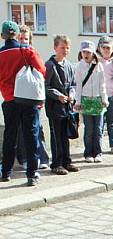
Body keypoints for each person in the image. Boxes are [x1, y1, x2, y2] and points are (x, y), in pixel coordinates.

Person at [0, 20, 45, 186]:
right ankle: (32, 174)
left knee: (10, 136)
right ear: (18, 35)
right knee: (30, 135)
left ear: (2, 36)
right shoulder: (27, 50)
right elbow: (41, 70)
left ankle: (6, 172)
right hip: (28, 98)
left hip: (9, 99)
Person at [14, 24, 48, 171]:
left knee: (37, 129)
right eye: (20, 38)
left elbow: (42, 71)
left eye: (26, 38)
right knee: (21, 130)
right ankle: (24, 159)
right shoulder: (13, 53)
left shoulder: (33, 52)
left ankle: (43, 157)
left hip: (33, 97)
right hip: (18, 96)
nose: (23, 41)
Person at [44, 35, 79, 176]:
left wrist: (71, 93)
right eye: (62, 48)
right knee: (56, 135)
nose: (65, 50)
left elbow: (73, 84)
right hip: (54, 106)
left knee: (66, 134)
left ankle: (66, 161)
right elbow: (46, 86)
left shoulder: (69, 65)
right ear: (55, 48)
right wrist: (58, 95)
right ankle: (56, 163)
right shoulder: (50, 65)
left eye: (67, 48)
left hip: (67, 105)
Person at [74, 40, 108, 163]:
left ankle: (98, 152)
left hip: (98, 100)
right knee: (88, 129)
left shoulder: (99, 66)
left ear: (93, 53)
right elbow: (78, 86)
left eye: (88, 52)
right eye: (84, 52)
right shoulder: (79, 66)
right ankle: (88, 153)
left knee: (98, 129)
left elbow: (102, 84)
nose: (86, 54)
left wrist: (104, 99)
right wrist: (77, 102)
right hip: (86, 100)